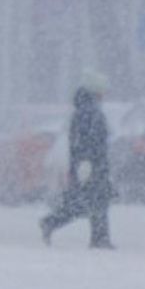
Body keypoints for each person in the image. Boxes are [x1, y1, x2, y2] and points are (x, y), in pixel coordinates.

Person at [39, 73, 115, 249]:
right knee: (94, 200)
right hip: (92, 165)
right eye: (102, 92)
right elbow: (87, 141)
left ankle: (52, 222)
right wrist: (87, 161)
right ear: (96, 92)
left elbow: (81, 140)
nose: (104, 96)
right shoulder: (89, 112)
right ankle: (98, 239)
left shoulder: (84, 110)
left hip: (89, 164)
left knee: (87, 201)